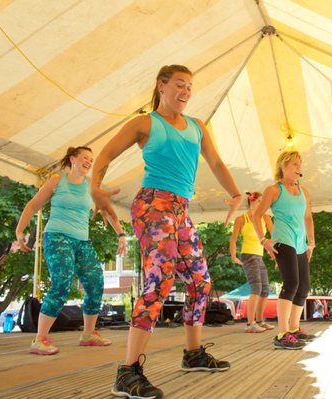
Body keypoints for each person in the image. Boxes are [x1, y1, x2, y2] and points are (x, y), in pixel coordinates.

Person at [91, 65, 243, 399]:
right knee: (160, 280)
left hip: (181, 210)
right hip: (151, 206)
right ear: (162, 86)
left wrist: (236, 193)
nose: (186, 92)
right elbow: (104, 153)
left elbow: (216, 164)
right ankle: (127, 372)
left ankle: (193, 354)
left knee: (200, 281)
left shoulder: (197, 127)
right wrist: (96, 189)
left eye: (190, 86)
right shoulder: (145, 123)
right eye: (179, 85)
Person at [15, 146, 126, 356]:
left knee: (95, 284)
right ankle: (39, 339)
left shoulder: (91, 187)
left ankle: (88, 334)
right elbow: (32, 206)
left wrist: (121, 235)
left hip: (82, 241)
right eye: (85, 158)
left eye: (91, 160)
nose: (88, 162)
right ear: (73, 159)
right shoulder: (58, 180)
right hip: (57, 237)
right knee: (62, 283)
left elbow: (108, 211)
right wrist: (20, 232)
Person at [252, 150, 316, 350]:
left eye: (300, 164)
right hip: (283, 240)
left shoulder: (304, 191)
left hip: (300, 243)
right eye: (295, 164)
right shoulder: (274, 190)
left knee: (304, 286)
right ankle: (282, 334)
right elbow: (257, 215)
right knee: (292, 283)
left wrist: (311, 243)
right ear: (283, 166)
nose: (299, 168)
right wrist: (264, 240)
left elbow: (307, 218)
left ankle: (295, 330)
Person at [229, 192, 275, 333]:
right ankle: (250, 324)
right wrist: (233, 256)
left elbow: (274, 236)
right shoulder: (241, 219)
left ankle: (260, 321)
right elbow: (233, 239)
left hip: (259, 255)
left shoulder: (265, 217)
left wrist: (275, 254)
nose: (262, 204)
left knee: (265, 290)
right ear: (252, 201)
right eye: (260, 201)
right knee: (256, 288)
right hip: (248, 255)